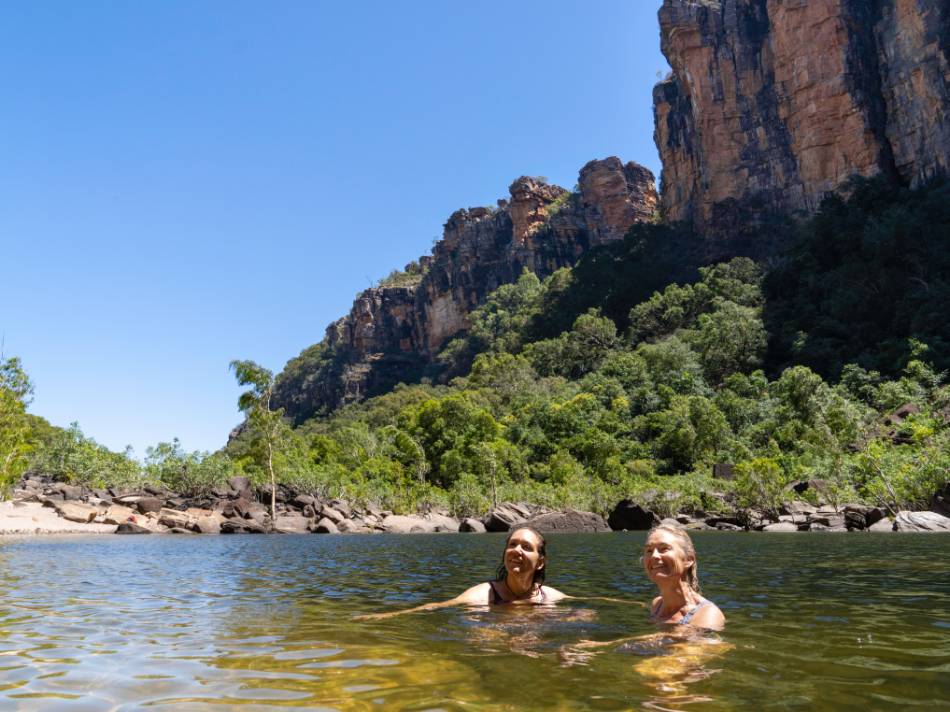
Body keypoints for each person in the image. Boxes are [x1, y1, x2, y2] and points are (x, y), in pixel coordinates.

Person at [357, 527, 567, 619]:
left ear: (541, 562)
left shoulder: (549, 596)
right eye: (512, 544)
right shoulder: (484, 594)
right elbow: (438, 607)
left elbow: (591, 604)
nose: (516, 550)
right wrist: (387, 615)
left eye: (526, 547)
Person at [643, 524, 724, 630]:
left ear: (689, 560)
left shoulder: (707, 614)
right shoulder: (657, 605)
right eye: (649, 551)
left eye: (664, 549)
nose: (654, 555)